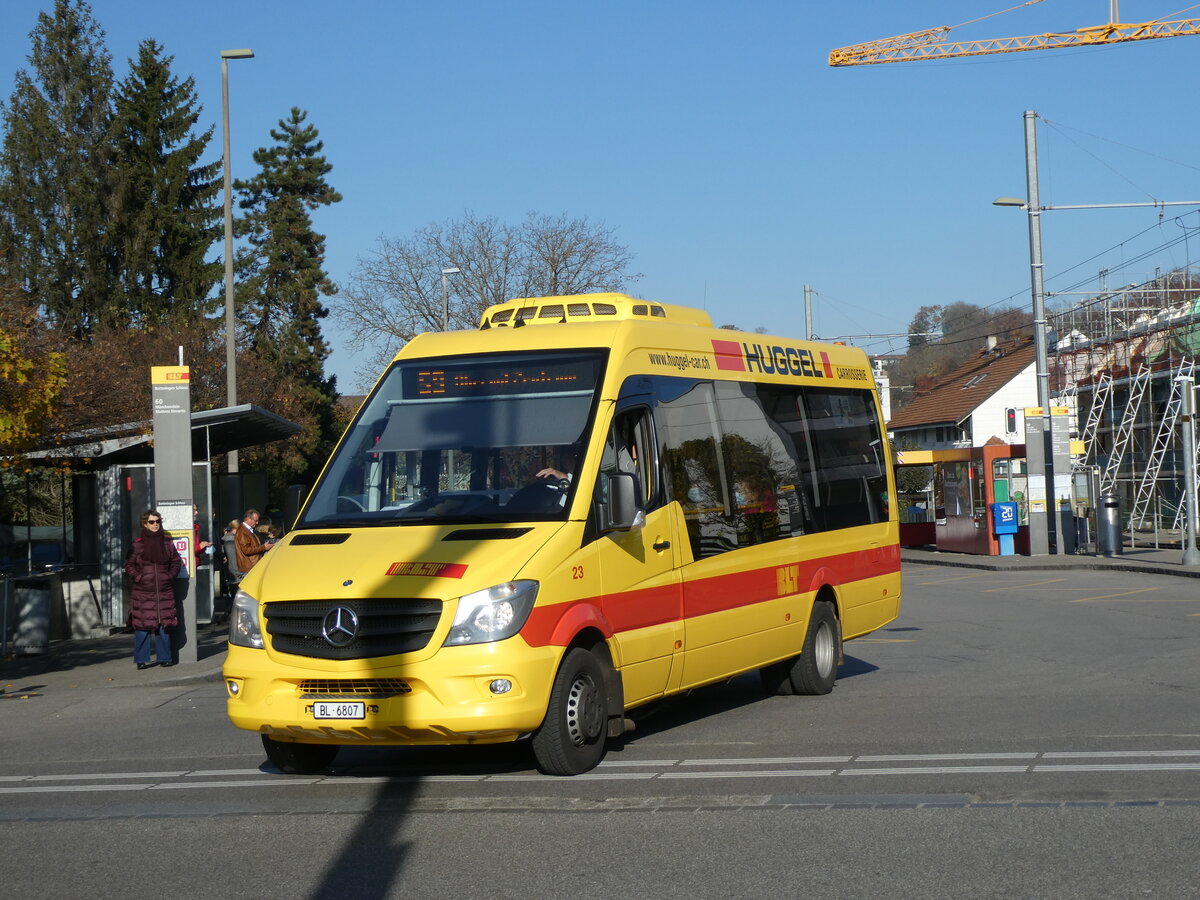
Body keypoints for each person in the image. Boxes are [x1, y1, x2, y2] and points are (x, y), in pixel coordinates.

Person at [124, 509, 181, 669]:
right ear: (145, 524)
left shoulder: (167, 543)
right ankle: (141, 660)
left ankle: (165, 658)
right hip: (143, 592)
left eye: (157, 521)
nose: (155, 524)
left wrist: (169, 576)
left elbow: (176, 561)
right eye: (152, 522)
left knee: (164, 625)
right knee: (143, 626)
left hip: (164, 590)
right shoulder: (138, 544)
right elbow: (129, 564)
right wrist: (139, 577)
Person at [234, 508, 269, 576]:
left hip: (252, 566)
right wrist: (263, 547)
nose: (257, 523)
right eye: (255, 521)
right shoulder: (243, 531)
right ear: (248, 519)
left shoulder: (248, 530)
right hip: (249, 568)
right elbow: (246, 550)